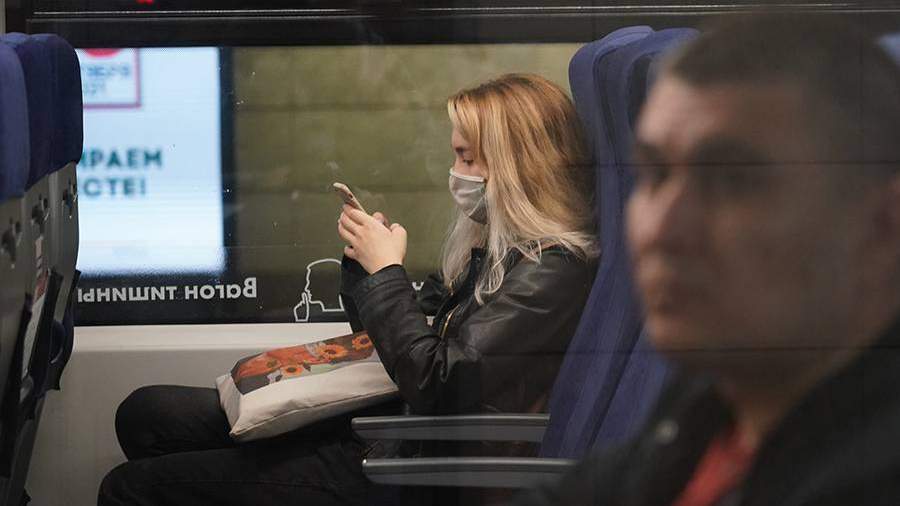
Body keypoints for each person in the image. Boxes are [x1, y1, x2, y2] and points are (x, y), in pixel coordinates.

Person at [98, 73, 598, 505]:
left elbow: (438, 381)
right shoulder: (498, 251)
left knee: (129, 488)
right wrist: (366, 268)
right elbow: (394, 343)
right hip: (396, 426)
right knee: (147, 415)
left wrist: (387, 274)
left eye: (467, 159)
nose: (456, 175)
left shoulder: (552, 270)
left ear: (514, 165)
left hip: (416, 464)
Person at [515, 14, 900, 506]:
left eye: (731, 181)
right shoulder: (719, 395)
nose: (662, 229)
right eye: (654, 175)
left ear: (881, 225)